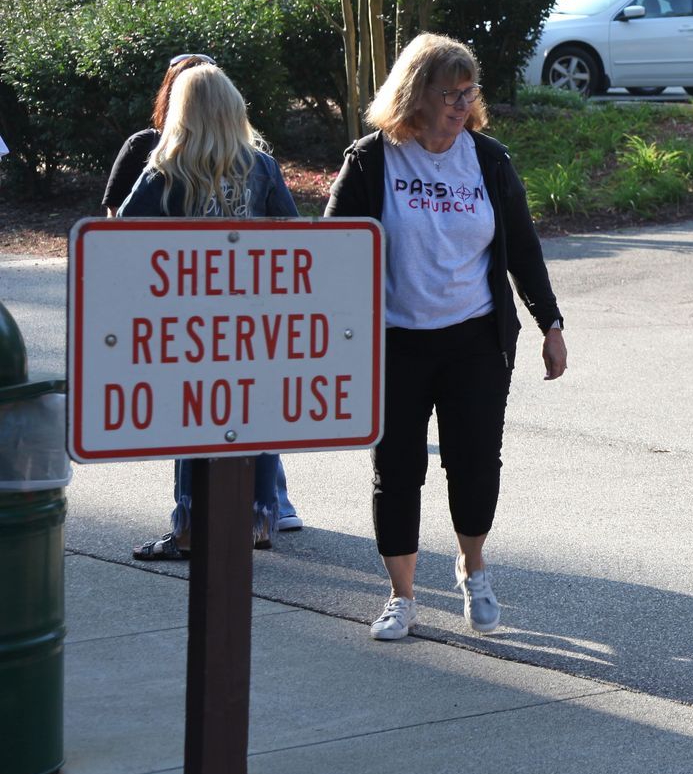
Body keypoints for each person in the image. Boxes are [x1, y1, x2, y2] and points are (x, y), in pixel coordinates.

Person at [324, 34, 568, 642]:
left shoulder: (488, 160)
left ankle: (473, 566)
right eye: (449, 93)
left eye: (469, 92)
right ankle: (402, 596)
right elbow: (331, 250)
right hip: (395, 341)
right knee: (398, 469)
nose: (462, 104)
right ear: (416, 94)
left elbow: (523, 248)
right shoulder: (372, 159)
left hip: (475, 340)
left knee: (476, 462)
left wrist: (550, 323)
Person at [107, 53, 305, 535]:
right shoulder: (262, 166)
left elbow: (123, 234)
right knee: (256, 410)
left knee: (192, 413)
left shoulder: (164, 169)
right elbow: (296, 237)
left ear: (182, 111)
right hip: (257, 316)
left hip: (187, 319)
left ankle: (190, 519)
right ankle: (260, 517)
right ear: (234, 108)